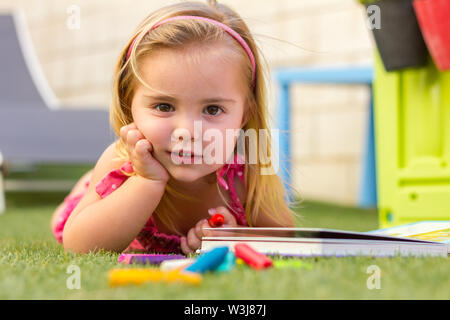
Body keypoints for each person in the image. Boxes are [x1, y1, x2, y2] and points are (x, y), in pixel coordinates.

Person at [52, 0, 300, 255]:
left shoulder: (248, 171)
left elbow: (283, 239)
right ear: (129, 104)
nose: (188, 131)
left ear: (245, 114)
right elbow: (79, 246)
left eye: (213, 110)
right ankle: (85, 186)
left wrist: (236, 236)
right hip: (101, 197)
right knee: (65, 216)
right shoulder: (121, 162)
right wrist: (147, 182)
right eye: (163, 106)